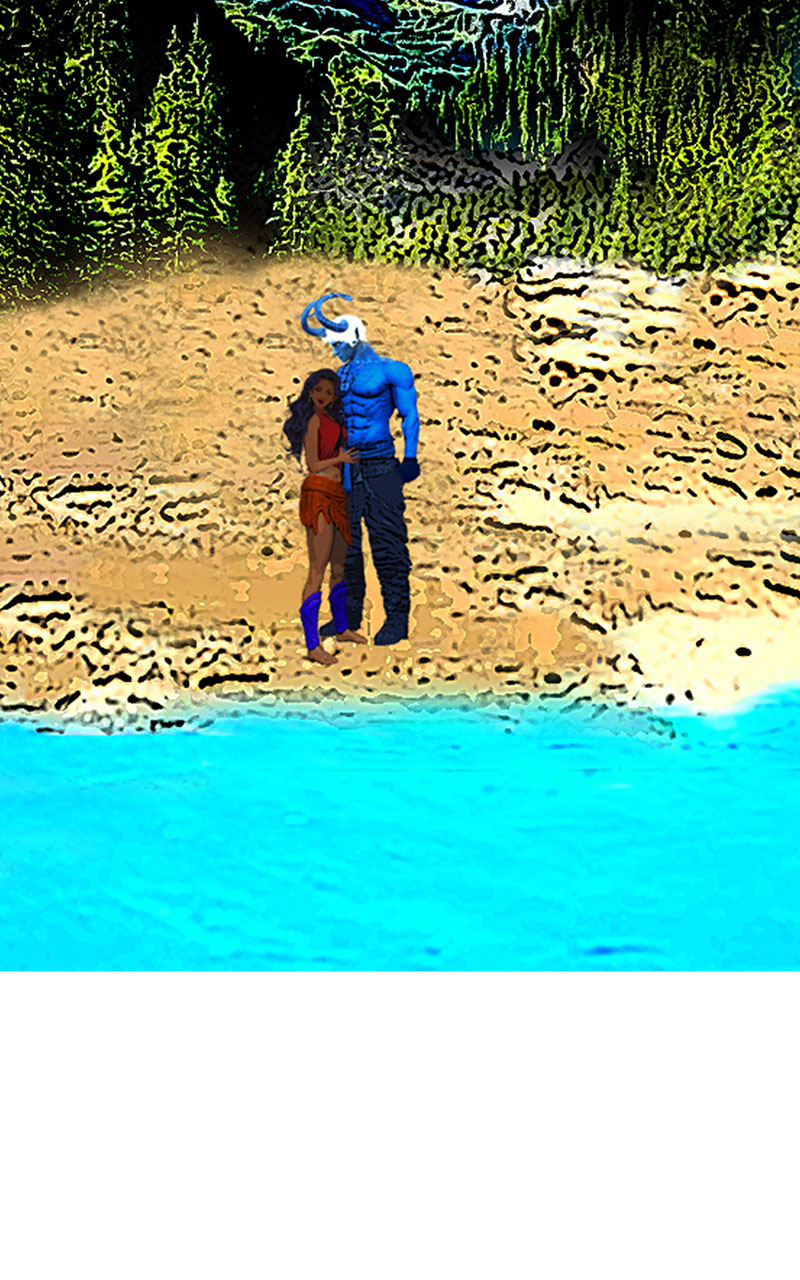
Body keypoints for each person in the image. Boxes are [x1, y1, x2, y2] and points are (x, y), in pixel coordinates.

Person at [300, 292, 421, 646]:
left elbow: (409, 415)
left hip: (380, 464)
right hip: (347, 468)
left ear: (353, 338)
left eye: (338, 344)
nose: (334, 350)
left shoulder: (391, 370)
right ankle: (348, 618)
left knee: (388, 543)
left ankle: (396, 620)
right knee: (346, 546)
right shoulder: (341, 375)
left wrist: (410, 458)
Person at [283, 369, 366, 664]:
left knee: (339, 566)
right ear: (310, 391)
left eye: (329, 393)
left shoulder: (333, 420)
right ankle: (312, 644)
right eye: (319, 390)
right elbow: (313, 463)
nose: (323, 396)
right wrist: (340, 458)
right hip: (319, 491)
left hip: (338, 494)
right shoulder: (314, 421)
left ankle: (341, 628)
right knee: (317, 569)